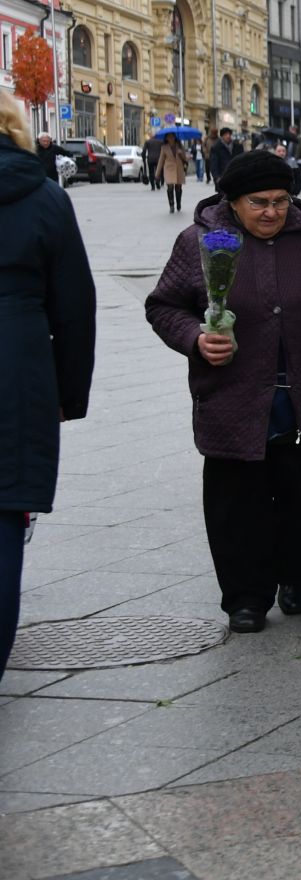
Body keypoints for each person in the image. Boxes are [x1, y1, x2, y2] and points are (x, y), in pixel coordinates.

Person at [144, 149, 301, 633]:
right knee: (236, 504)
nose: (272, 212)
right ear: (233, 201)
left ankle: (296, 575)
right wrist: (196, 341)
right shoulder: (199, 241)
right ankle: (245, 597)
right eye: (259, 202)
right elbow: (163, 307)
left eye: (281, 201)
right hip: (232, 398)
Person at [0, 94, 95, 674]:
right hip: (18, 365)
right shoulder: (44, 198)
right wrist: (67, 393)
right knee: (7, 507)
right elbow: (75, 307)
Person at [156, 131, 191, 214]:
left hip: (179, 169)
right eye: (169, 137)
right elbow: (161, 161)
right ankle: (171, 205)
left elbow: (185, 159)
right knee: (170, 187)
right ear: (166, 138)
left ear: (175, 137)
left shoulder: (180, 146)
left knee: (178, 188)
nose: (171, 138)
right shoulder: (164, 147)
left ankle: (178, 203)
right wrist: (157, 174)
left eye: (172, 137)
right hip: (169, 169)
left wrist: (181, 153)